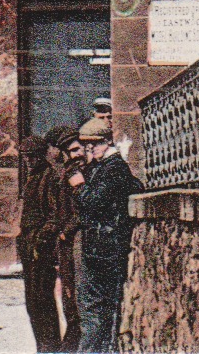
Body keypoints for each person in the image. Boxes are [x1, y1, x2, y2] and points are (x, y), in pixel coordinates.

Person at [67, 118, 140, 352]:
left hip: (106, 250)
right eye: (87, 146)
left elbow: (93, 202)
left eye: (94, 146)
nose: (90, 151)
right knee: (98, 310)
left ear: (107, 142)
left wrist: (79, 186)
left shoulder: (114, 168)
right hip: (100, 247)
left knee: (98, 311)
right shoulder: (104, 167)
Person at [17, 131, 65, 352]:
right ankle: (42, 345)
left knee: (42, 300)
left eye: (32, 156)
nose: (28, 161)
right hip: (29, 243)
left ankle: (49, 346)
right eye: (25, 157)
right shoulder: (33, 177)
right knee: (33, 301)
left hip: (40, 247)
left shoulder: (50, 177)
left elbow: (55, 216)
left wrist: (40, 240)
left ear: (41, 155)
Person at [50, 126, 84, 352]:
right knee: (68, 289)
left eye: (77, 149)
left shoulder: (76, 173)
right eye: (70, 151)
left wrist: (67, 229)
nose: (76, 154)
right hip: (65, 241)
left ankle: (75, 343)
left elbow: (84, 205)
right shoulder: (66, 171)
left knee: (77, 289)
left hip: (76, 238)